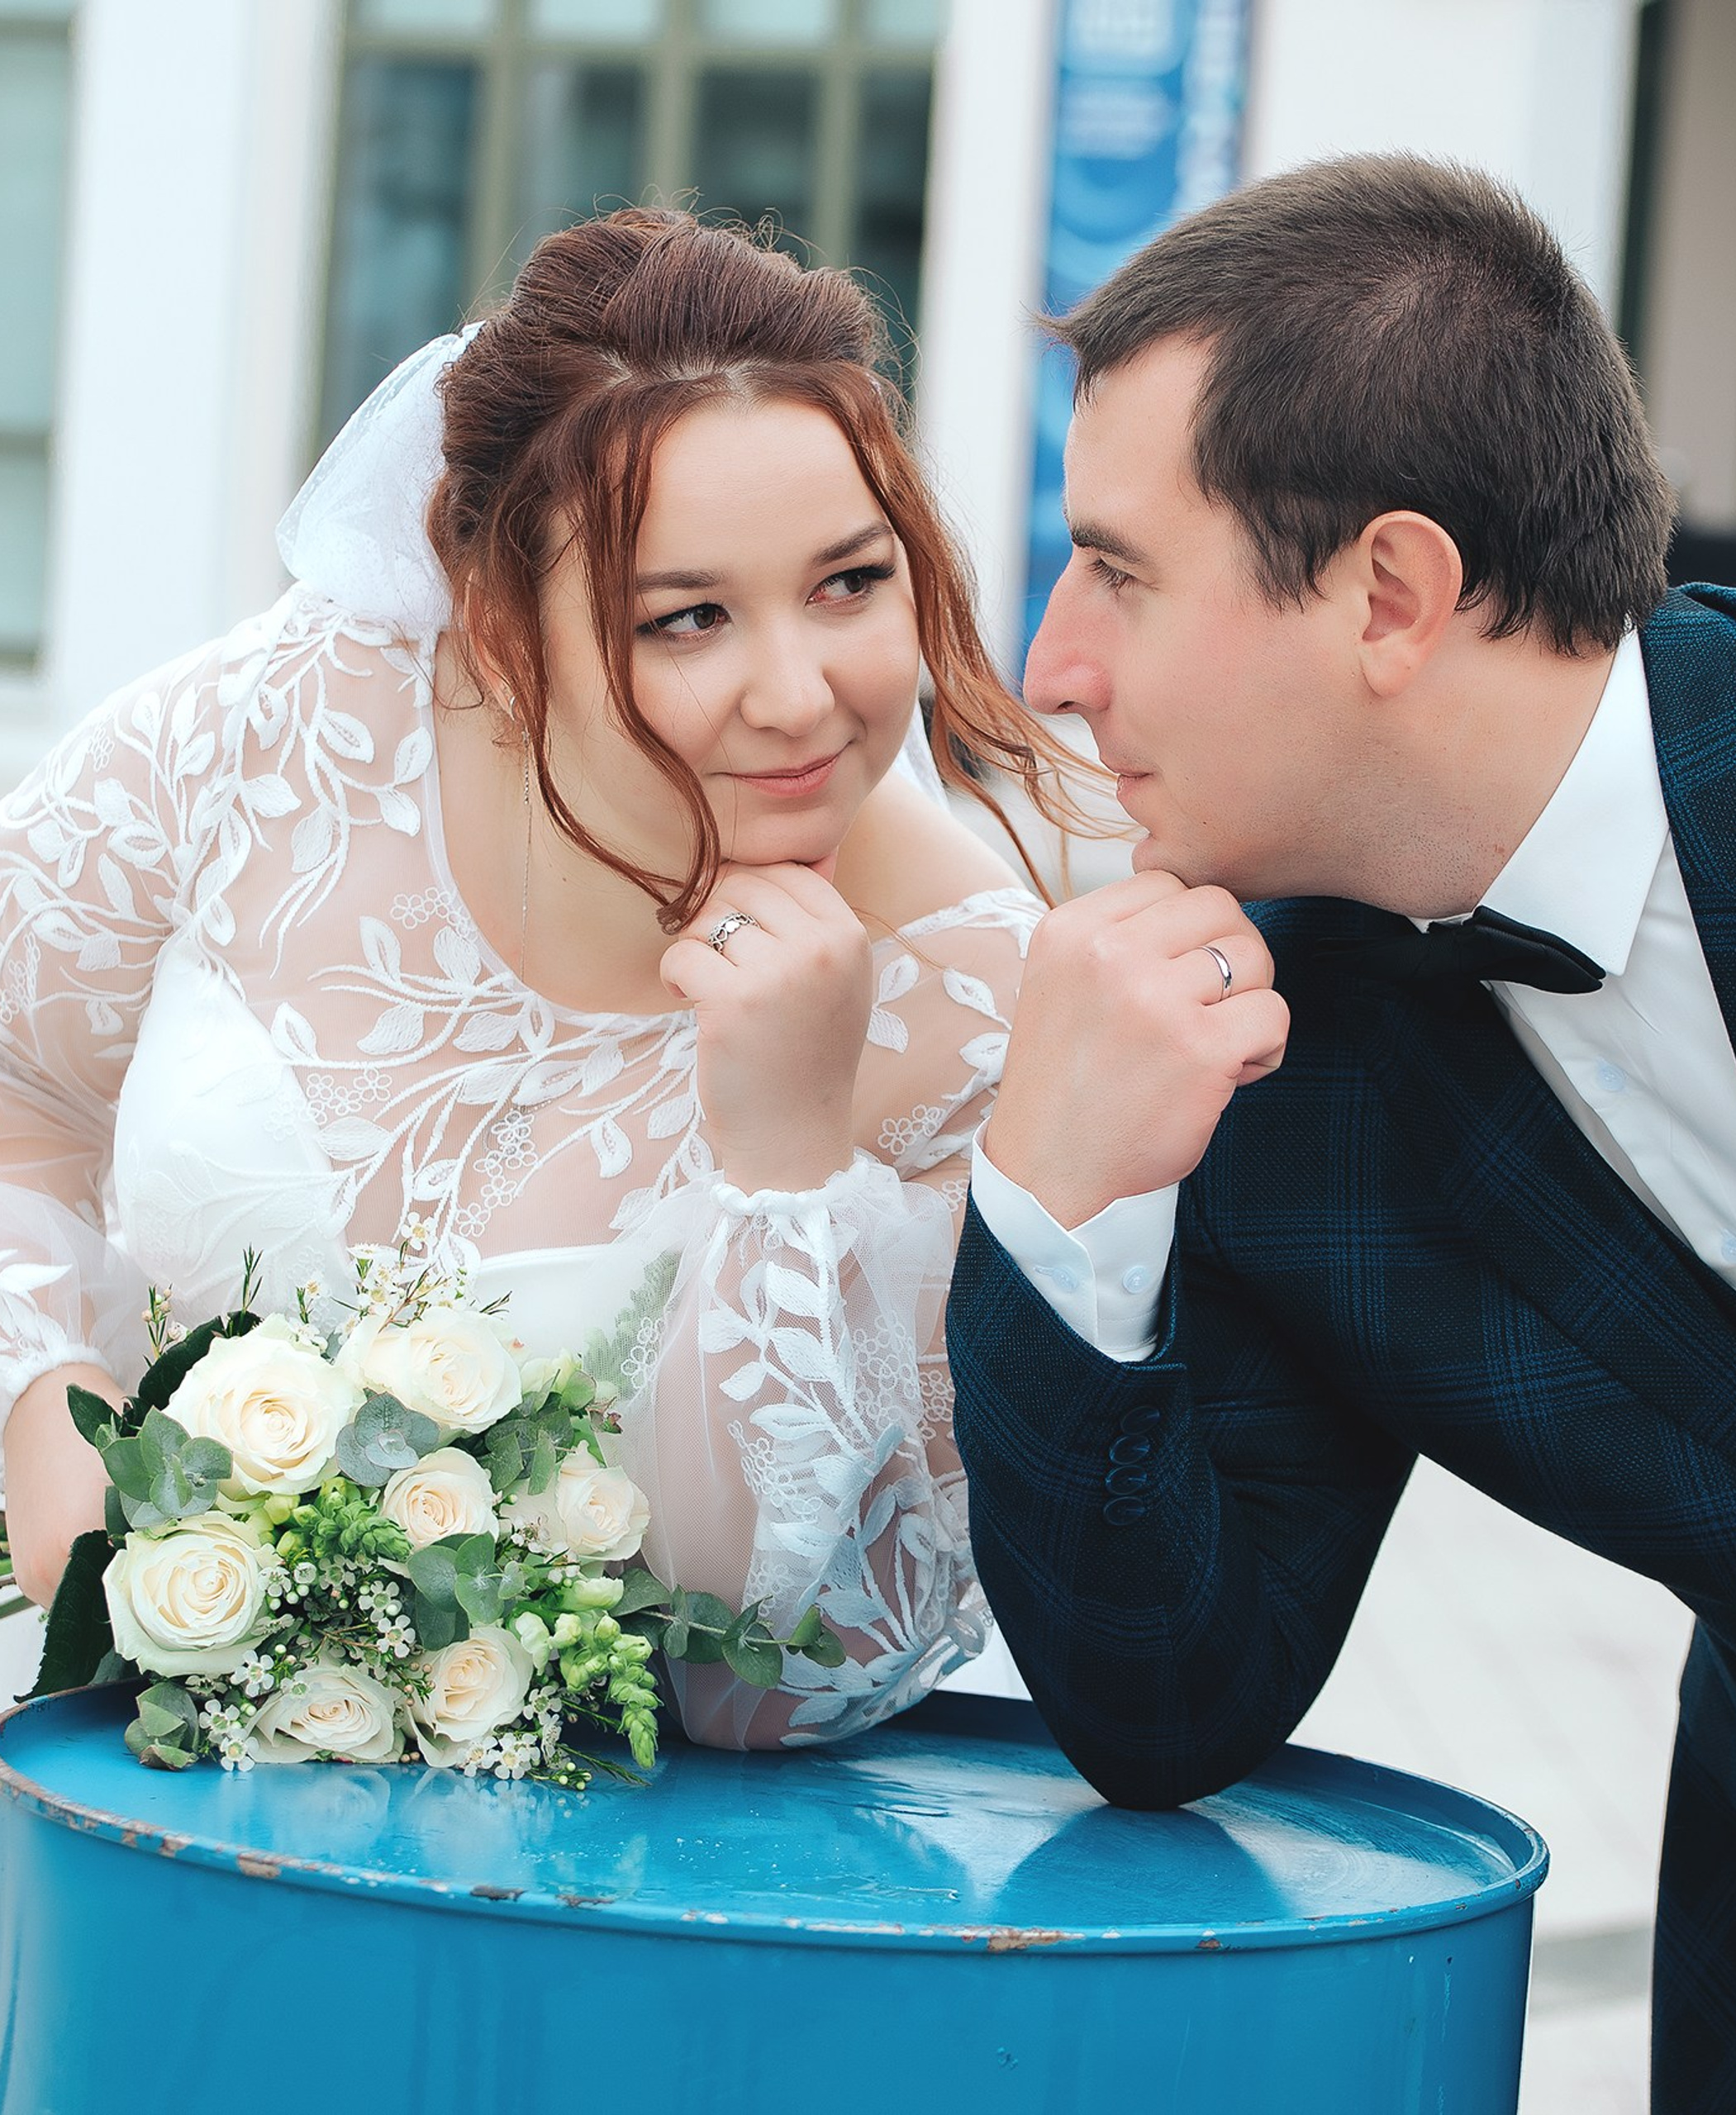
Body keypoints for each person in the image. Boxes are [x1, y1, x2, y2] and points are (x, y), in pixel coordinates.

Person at [945, 154, 1736, 2113]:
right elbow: (1164, 1698)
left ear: (1388, 594)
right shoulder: (1262, 1073)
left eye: (1119, 567)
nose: (1053, 664)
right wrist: (1055, 1197)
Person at [0, 207, 1077, 1749]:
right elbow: (16, 1081)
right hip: (100, 1765)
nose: (801, 693)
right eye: (687, 617)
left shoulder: (984, 1006)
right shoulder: (283, 733)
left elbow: (775, 1679)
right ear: (498, 617)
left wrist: (783, 1158)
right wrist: (46, 1410)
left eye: (849, 584)